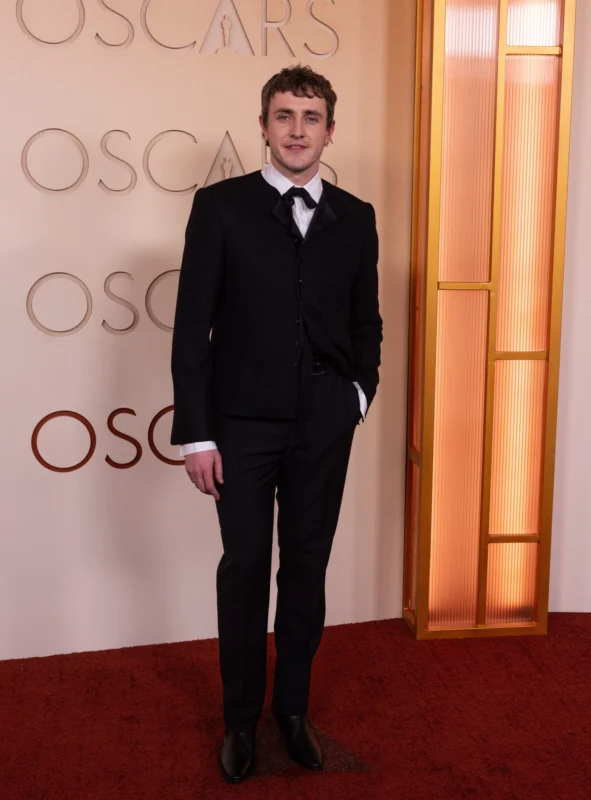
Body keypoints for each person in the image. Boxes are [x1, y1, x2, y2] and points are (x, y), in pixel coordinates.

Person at [170, 64, 382, 784]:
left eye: (311, 117)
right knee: (245, 570)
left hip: (326, 422)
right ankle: (239, 721)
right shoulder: (221, 207)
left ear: (330, 128)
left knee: (307, 568)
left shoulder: (357, 216)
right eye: (284, 116)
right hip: (240, 429)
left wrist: (359, 394)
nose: (297, 130)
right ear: (264, 126)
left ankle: (291, 712)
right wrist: (197, 434)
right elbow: (191, 326)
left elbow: (365, 321)